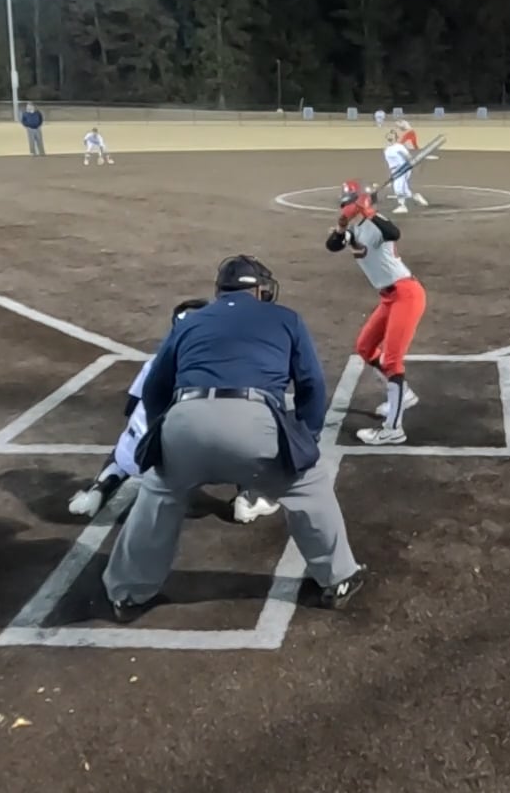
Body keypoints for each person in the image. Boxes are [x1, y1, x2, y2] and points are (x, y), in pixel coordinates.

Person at [103, 255, 365, 618]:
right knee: (307, 486)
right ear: (260, 290)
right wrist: (306, 438)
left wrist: (170, 430)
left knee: (159, 493)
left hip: (186, 419)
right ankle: (338, 579)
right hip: (254, 422)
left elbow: (154, 388)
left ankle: (128, 593)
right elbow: (312, 385)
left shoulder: (191, 322)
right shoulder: (285, 318)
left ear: (220, 290)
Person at [67, 300, 279, 524]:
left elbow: (132, 406)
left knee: (130, 441)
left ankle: (100, 486)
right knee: (254, 435)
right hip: (214, 457)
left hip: (148, 457)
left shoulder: (156, 362)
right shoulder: (230, 364)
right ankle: (248, 498)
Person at [328, 181, 428, 445]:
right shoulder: (355, 229)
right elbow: (333, 245)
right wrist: (341, 226)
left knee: (392, 361)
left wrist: (368, 211)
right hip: (388, 298)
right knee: (365, 347)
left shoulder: (376, 222)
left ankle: (393, 429)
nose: (345, 208)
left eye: (348, 204)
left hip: (406, 295)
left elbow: (394, 232)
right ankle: (405, 394)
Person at [382, 131, 427, 213]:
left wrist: (413, 165)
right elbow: (390, 163)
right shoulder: (387, 149)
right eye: (389, 135)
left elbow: (408, 157)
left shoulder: (399, 147)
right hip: (395, 170)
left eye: (392, 136)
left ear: (396, 138)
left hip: (402, 169)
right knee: (405, 190)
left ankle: (402, 206)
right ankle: (416, 196)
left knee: (398, 187)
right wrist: (391, 176)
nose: (390, 137)